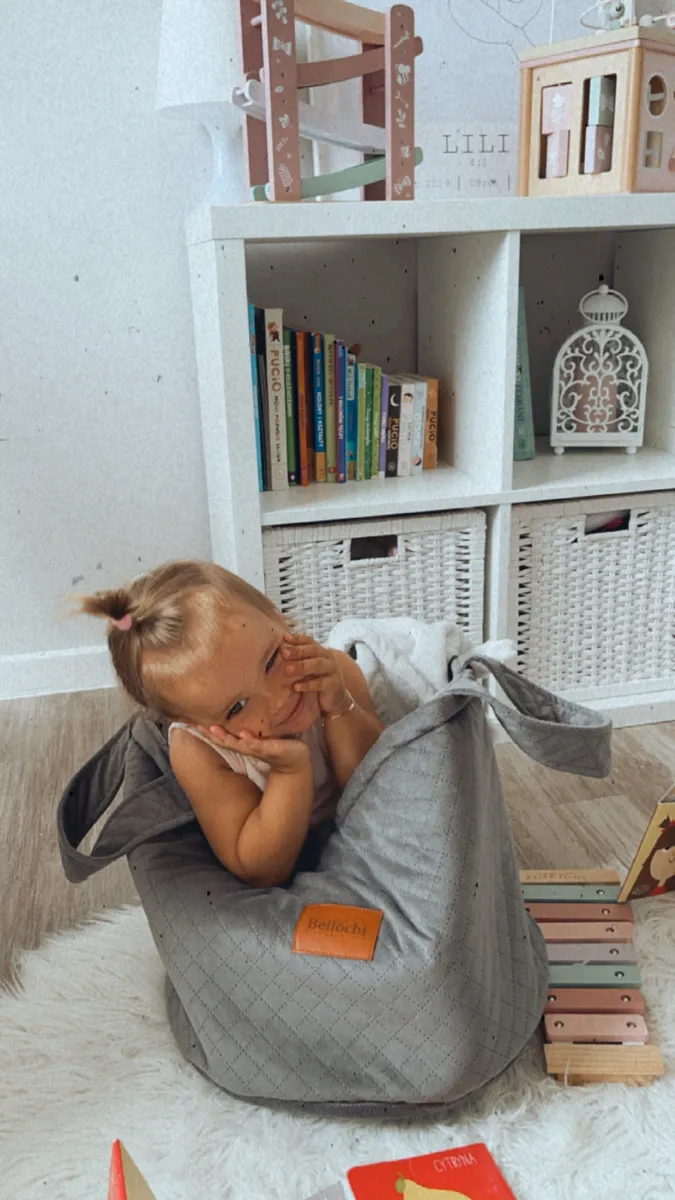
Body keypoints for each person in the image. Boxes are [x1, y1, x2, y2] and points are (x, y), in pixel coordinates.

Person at [77, 560, 383, 888]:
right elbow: (262, 870)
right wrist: (288, 773)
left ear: (276, 616)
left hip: (363, 823)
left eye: (271, 661)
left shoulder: (328, 671)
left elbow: (379, 785)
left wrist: (340, 708)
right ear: (195, 723)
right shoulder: (198, 750)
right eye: (237, 707)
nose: (278, 699)